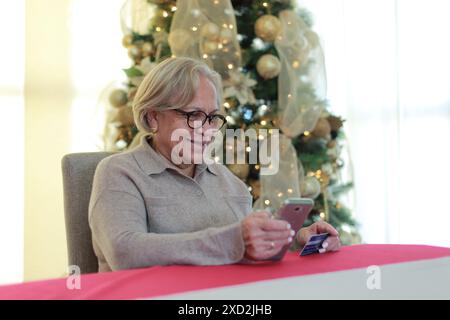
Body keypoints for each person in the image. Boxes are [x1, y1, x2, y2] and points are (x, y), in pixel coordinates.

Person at [89, 57, 340, 272]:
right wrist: (234, 241)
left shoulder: (227, 180)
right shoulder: (119, 171)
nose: (207, 130)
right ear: (153, 117)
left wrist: (297, 240)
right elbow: (125, 252)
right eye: (193, 115)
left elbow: (247, 244)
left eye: (212, 117)